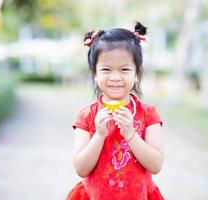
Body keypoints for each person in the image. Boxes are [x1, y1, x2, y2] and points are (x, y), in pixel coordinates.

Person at [67, 21, 165, 200]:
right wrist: (99, 135)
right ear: (95, 74)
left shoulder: (148, 115)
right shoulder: (86, 116)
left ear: (136, 74)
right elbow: (81, 169)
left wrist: (130, 134)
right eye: (106, 69)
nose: (115, 77)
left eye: (124, 69)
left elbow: (156, 165)